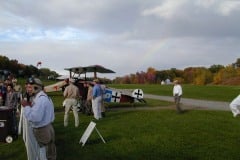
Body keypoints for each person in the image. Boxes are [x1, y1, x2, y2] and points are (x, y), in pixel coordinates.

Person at [21, 77, 56, 160]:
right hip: (47, 127)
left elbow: (35, 117)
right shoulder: (43, 97)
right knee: (49, 152)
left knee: (44, 153)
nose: (27, 89)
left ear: (37, 88)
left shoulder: (41, 99)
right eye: (27, 87)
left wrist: (26, 106)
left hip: (42, 130)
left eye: (30, 87)